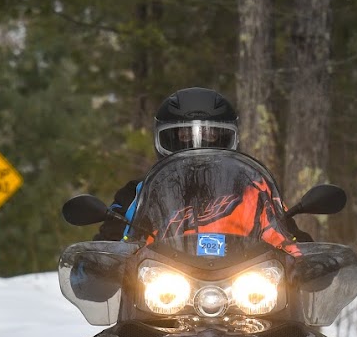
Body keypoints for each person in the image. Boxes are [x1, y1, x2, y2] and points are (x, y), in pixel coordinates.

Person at [93, 86, 311, 253]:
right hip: (160, 299)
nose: (198, 146)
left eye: (211, 136)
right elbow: (112, 245)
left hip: (248, 297)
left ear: (230, 139)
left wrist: (309, 263)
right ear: (163, 139)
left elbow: (286, 238)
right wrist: (103, 262)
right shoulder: (139, 192)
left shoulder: (254, 190)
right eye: (184, 136)